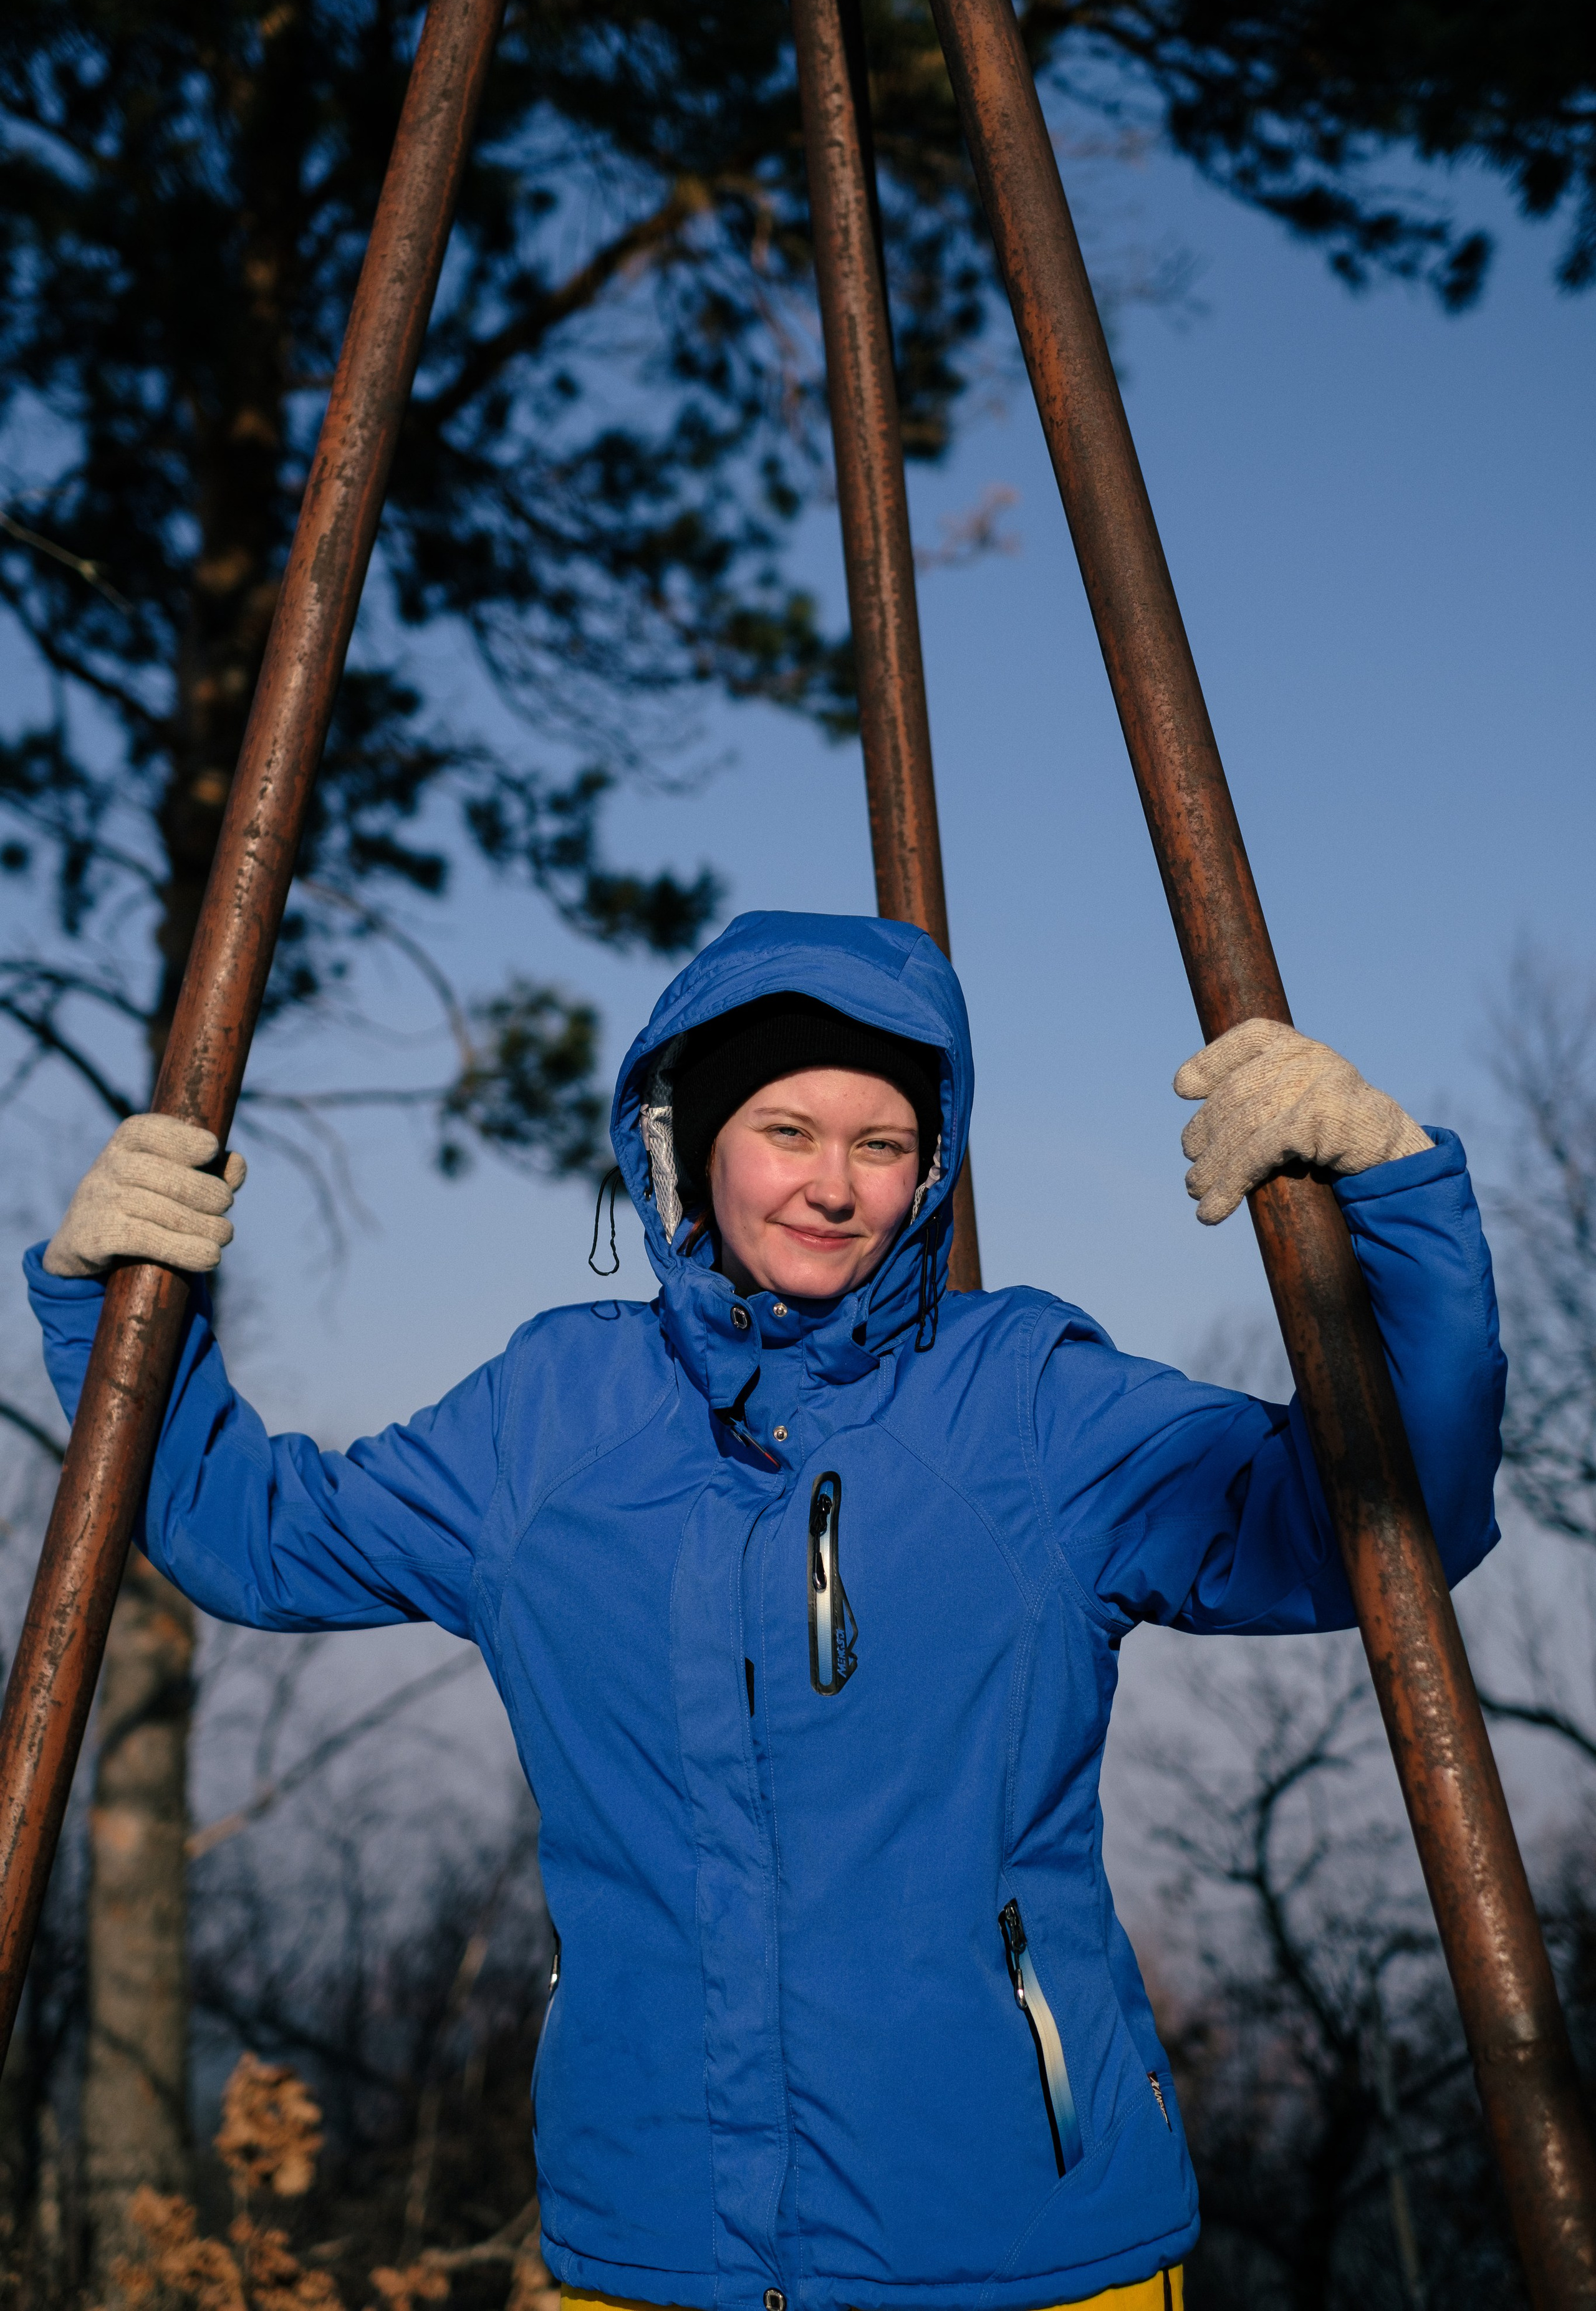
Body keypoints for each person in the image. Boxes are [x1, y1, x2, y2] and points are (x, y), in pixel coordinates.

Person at [27, 908, 1504, 2311]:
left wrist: (1391, 1203)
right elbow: (255, 1536)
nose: (834, 1184)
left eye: (882, 1142)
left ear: (930, 1170)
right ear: (684, 1147)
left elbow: (1384, 1524)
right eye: (784, 1132)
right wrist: (113, 1310)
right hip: (651, 2245)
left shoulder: (1027, 1408)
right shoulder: (552, 1419)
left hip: (1029, 2247)